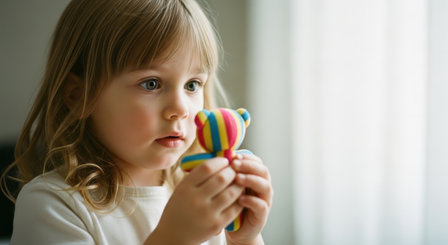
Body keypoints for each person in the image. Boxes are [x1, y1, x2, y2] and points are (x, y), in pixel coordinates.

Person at [0, 0, 273, 244]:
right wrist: (174, 239)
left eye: (192, 85)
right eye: (151, 83)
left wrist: (244, 238)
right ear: (79, 96)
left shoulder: (200, 190)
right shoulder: (53, 205)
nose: (180, 108)